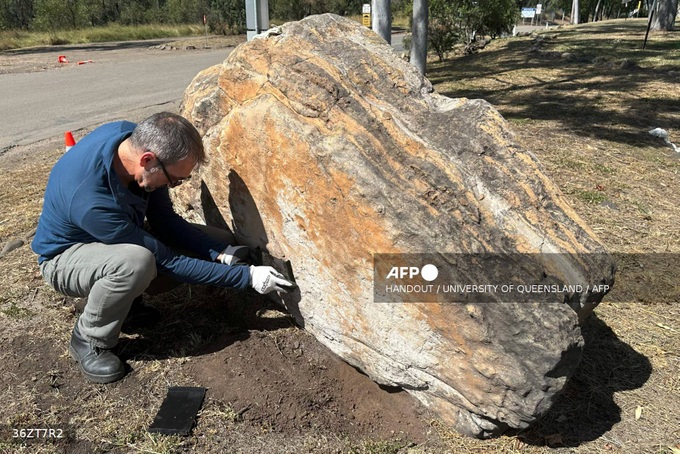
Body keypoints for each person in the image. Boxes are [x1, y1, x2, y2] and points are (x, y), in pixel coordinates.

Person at [31, 112, 294, 384]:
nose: (174, 186)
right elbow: (166, 260)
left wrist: (220, 252)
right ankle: (89, 338)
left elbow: (165, 221)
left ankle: (125, 304)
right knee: (136, 263)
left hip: (114, 239)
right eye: (174, 180)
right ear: (148, 160)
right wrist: (247, 277)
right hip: (65, 258)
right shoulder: (89, 198)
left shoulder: (133, 141)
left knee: (216, 238)